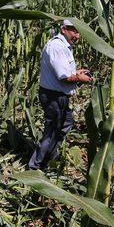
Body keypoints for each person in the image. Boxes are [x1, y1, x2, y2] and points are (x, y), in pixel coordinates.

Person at [28, 19, 92, 170]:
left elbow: (62, 70)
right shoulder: (57, 47)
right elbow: (63, 77)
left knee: (66, 123)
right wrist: (79, 78)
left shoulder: (64, 46)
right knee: (51, 133)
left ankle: (49, 155)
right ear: (64, 29)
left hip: (57, 96)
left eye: (78, 32)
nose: (77, 35)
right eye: (74, 31)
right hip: (53, 97)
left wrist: (76, 72)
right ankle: (35, 167)